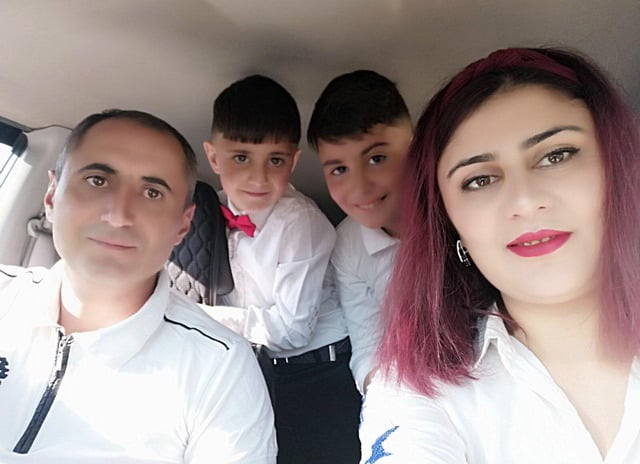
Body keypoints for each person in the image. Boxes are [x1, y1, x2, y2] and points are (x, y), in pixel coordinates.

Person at [358, 48, 640, 463]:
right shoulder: (415, 392)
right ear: (450, 225)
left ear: (619, 168)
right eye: (480, 180)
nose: (524, 202)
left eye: (556, 156)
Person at [0, 110, 277, 463]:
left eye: (152, 193)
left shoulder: (220, 367)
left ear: (183, 225)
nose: (119, 215)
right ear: (52, 196)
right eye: (97, 180)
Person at [202, 75, 361, 464]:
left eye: (275, 160)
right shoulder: (206, 210)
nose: (258, 178)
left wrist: (205, 319)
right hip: (257, 368)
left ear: (293, 161)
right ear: (214, 158)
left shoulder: (298, 223)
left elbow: (291, 331)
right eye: (241, 157)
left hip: (317, 373)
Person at [307, 70, 412, 394]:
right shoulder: (347, 245)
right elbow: (369, 346)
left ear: (414, 147)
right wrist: (385, 399)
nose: (360, 187)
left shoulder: (460, 214)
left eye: (377, 158)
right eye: (339, 169)